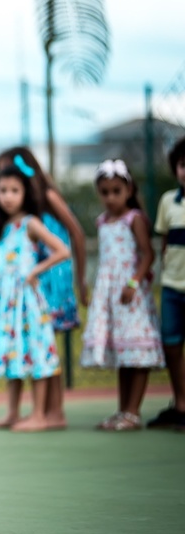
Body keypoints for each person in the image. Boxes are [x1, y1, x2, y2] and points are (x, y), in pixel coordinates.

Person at [0, 146, 89, 430]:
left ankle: (54, 412)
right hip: (34, 277)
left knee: (47, 342)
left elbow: (76, 232)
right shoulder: (27, 207)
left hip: (52, 276)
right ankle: (44, 411)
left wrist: (80, 279)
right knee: (41, 340)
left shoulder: (47, 197)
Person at [0, 163, 70, 432]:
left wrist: (36, 271)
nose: (7, 196)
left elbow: (62, 250)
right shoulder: (2, 228)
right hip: (6, 305)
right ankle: (12, 412)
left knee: (36, 353)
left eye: (14, 190)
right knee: (13, 354)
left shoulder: (30, 224)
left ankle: (40, 414)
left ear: (25, 194)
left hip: (27, 303)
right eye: (2, 190)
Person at [80, 159, 164, 430]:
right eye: (104, 192)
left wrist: (134, 282)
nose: (110, 197)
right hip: (111, 296)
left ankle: (133, 412)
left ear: (128, 190)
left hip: (131, 295)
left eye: (116, 191)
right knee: (123, 353)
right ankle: (122, 410)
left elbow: (147, 254)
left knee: (136, 353)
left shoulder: (134, 219)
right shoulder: (102, 221)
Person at [150, 136, 185, 430]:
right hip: (173, 286)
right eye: (184, 165)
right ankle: (180, 403)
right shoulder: (167, 203)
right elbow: (164, 242)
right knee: (171, 346)